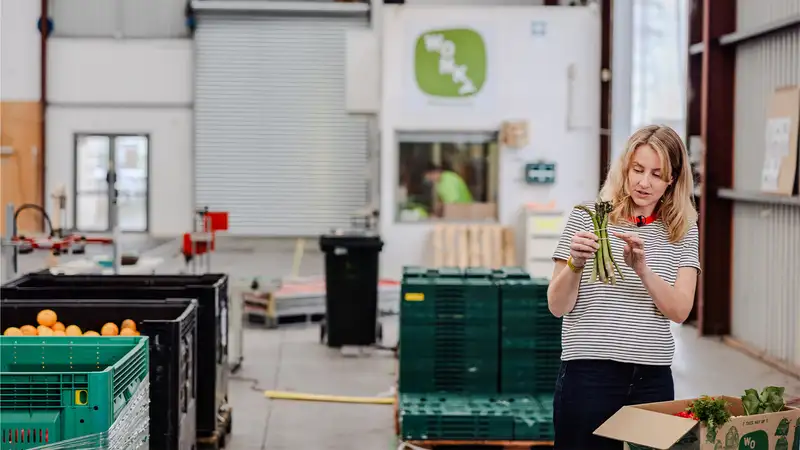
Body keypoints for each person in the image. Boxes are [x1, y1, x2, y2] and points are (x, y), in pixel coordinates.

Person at [547, 125, 700, 450]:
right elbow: (557, 306)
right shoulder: (588, 218)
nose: (645, 182)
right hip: (589, 373)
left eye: (657, 174)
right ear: (625, 168)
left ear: (672, 179)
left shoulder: (683, 230)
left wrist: (642, 269)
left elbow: (680, 310)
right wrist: (575, 262)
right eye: (638, 170)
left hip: (652, 378)